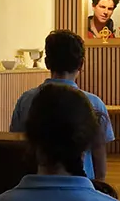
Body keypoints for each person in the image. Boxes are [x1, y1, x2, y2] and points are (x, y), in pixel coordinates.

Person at [10, 30, 112, 180]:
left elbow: (17, 145)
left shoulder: (26, 100)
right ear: (81, 64)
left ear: (47, 62)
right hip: (81, 185)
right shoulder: (94, 104)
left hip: (34, 182)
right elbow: (99, 154)